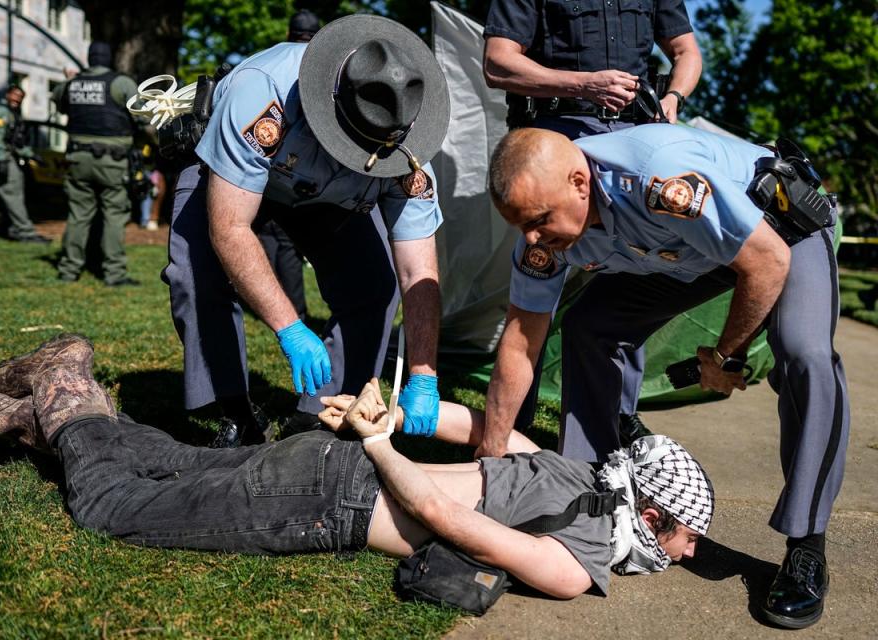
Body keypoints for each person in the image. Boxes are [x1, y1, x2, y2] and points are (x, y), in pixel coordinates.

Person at [0, 333, 714, 604]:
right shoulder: (579, 565)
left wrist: (391, 415)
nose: (686, 556)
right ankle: (63, 376)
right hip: (325, 499)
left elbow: (482, 430)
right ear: (650, 516)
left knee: (172, 462)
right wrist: (379, 441)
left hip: (328, 467)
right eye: (687, 539)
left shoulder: (579, 476)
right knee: (110, 506)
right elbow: (448, 521)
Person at [481, 125, 847, 629]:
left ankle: (807, 544)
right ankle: (587, 497)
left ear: (579, 183)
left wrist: (724, 357)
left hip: (780, 231)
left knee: (806, 356)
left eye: (540, 221)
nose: (532, 240)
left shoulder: (657, 179)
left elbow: (765, 262)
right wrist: (491, 454)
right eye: (521, 225)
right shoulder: (544, 235)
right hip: (690, 253)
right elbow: (521, 341)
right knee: (590, 325)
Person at [163, 16, 450, 448]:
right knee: (194, 270)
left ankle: (328, 410)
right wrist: (290, 327)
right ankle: (235, 410)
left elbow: (418, 272)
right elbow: (230, 227)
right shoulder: (263, 94)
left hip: (329, 201)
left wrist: (424, 375)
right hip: (232, 183)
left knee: (375, 284)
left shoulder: (409, 146)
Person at [482, 0, 703, 441]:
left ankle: (618, 417)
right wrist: (585, 84)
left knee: (634, 280)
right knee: (536, 283)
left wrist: (673, 99)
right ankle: (513, 425)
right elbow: (498, 63)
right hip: (556, 146)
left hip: (635, 143)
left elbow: (687, 51)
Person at [251, 9, 324, 319]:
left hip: (264, 165)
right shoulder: (324, 66)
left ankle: (264, 305)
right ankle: (297, 310)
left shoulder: (272, 60)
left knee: (265, 236)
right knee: (288, 246)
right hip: (302, 172)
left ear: (289, 33)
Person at [53, 42, 139, 286]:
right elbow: (142, 117)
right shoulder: (121, 83)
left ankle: (69, 270)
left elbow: (58, 101)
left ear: (89, 59)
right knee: (114, 214)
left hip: (77, 158)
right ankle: (114, 274)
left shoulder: (70, 85)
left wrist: (71, 79)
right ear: (109, 59)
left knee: (78, 214)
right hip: (112, 160)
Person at [0, 84, 50, 243]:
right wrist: (1, 159)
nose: (17, 99)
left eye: (20, 97)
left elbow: (15, 142)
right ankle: (25, 231)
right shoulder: (0, 111)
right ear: (7, 95)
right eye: (14, 95)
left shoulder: (12, 113)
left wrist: (31, 155)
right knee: (13, 190)